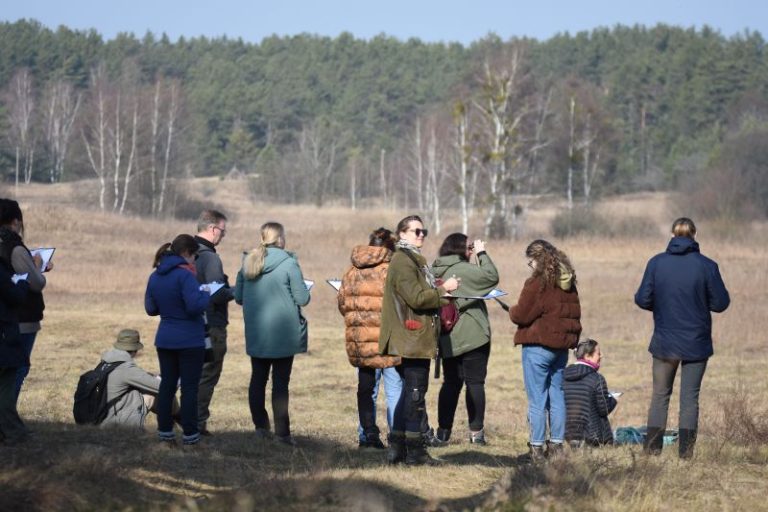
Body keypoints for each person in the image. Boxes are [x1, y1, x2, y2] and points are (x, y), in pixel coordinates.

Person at [635, 217, 729, 459]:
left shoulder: (656, 263)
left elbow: (642, 299)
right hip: (696, 342)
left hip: (665, 341)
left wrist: (662, 305)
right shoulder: (707, 266)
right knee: (689, 398)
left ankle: (651, 451)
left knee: (659, 395)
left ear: (672, 234)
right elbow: (720, 303)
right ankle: (686, 455)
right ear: (694, 234)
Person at [379, 215, 459, 465]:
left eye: (423, 231)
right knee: (415, 395)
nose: (421, 235)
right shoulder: (403, 261)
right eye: (416, 231)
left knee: (408, 394)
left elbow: (419, 293)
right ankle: (415, 453)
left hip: (412, 336)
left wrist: (438, 291)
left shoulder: (412, 259)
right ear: (402, 234)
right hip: (410, 337)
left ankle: (398, 450)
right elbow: (415, 298)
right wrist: (443, 289)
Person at [234, 222, 310, 446]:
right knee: (280, 384)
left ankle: (261, 427)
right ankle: (282, 433)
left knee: (257, 380)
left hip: (257, 332)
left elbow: (239, 297)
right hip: (283, 333)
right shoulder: (289, 264)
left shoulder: (248, 262)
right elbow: (303, 298)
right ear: (280, 239)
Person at [509, 239, 581, 461]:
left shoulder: (538, 283)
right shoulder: (568, 281)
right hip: (560, 349)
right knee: (557, 395)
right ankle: (557, 447)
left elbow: (521, 315)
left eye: (530, 262)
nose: (529, 266)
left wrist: (511, 310)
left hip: (538, 347)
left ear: (536, 260)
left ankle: (537, 449)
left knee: (537, 399)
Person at [338, 227, 402, 449]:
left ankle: (367, 436)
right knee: (394, 390)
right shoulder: (392, 270)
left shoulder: (351, 272)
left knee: (366, 390)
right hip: (389, 341)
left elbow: (343, 305)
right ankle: (396, 435)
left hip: (361, 341)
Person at [431, 233, 499, 446]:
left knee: (450, 384)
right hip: (473, 335)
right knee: (475, 383)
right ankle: (476, 434)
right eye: (469, 246)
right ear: (461, 249)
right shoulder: (464, 270)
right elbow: (491, 276)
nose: (471, 249)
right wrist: (482, 252)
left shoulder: (434, 270)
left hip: (447, 338)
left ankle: (443, 433)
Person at [145, 235, 210, 445]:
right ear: (186, 253)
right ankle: (190, 435)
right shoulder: (185, 276)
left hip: (165, 339)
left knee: (167, 387)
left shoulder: (155, 275)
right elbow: (193, 307)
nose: (195, 260)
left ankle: (165, 433)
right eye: (195, 256)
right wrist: (206, 294)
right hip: (190, 340)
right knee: (189, 389)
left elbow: (151, 308)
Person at [0, 198, 52, 403]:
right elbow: (36, 283)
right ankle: (8, 419)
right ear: (15, 221)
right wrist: (37, 265)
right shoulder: (17, 249)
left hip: (5, 316)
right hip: (22, 319)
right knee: (18, 368)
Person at [194, 209, 234, 436]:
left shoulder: (187, 252)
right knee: (208, 374)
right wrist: (237, 291)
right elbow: (217, 293)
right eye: (222, 231)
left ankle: (187, 418)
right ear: (211, 228)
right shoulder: (210, 257)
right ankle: (198, 423)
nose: (223, 236)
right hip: (212, 325)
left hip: (191, 322)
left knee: (192, 374)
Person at [99, 329, 174, 430]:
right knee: (154, 394)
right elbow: (163, 387)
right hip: (112, 421)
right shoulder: (126, 368)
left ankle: (175, 423)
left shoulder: (106, 362)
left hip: (99, 415)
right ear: (135, 350)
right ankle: (175, 425)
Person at [0, 249, 30, 445]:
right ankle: (13, 432)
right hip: (3, 338)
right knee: (5, 389)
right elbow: (16, 296)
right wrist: (22, 282)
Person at [563, 338, 617, 447]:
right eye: (598, 353)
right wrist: (614, 399)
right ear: (587, 356)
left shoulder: (562, 375)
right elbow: (604, 410)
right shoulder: (597, 378)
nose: (601, 356)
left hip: (566, 433)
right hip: (592, 435)